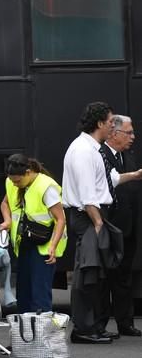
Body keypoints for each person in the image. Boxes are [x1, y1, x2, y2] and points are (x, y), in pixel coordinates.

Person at [62, 102, 142, 344]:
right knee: (88, 275)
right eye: (110, 123)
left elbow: (112, 179)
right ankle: (84, 330)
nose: (112, 128)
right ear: (99, 124)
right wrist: (99, 225)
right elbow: (88, 196)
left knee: (95, 276)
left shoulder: (91, 149)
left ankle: (93, 326)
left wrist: (136, 175)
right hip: (89, 218)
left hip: (93, 217)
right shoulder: (84, 152)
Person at [0, 154, 67, 314]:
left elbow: (60, 219)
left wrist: (53, 246)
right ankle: (26, 334)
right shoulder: (12, 182)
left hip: (43, 245)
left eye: (18, 181)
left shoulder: (46, 186)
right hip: (23, 243)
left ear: (28, 172)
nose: (15, 184)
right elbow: (5, 203)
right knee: (23, 293)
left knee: (39, 295)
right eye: (13, 181)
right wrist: (7, 221)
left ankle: (42, 333)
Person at [99, 115, 142, 337]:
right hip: (109, 226)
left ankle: (125, 323)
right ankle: (101, 325)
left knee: (125, 277)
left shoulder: (129, 156)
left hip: (129, 227)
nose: (133, 137)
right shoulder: (100, 155)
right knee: (105, 278)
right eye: (129, 132)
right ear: (114, 133)